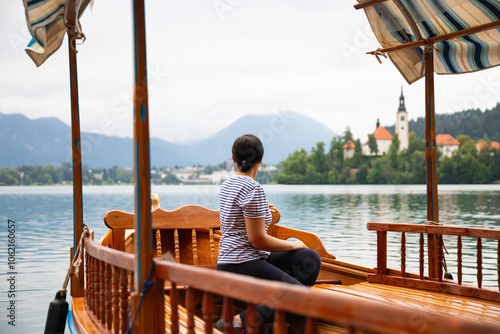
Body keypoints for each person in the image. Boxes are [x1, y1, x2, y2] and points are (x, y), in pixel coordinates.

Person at [215, 134, 321, 332]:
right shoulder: (252, 188)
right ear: (260, 160)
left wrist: (263, 210)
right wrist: (292, 243)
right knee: (303, 298)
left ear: (233, 159)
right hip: (240, 264)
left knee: (309, 258)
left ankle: (273, 310)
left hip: (238, 260)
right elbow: (257, 240)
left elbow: (240, 220)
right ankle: (237, 322)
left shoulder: (228, 184)